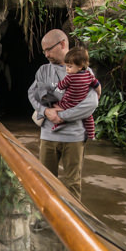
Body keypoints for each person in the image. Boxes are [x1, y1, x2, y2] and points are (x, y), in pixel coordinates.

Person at [27, 29, 99, 200]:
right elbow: (32, 94)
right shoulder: (43, 70)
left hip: (73, 137)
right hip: (48, 136)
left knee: (72, 183)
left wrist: (62, 116)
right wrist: (45, 111)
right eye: (44, 51)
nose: (46, 54)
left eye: (49, 49)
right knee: (45, 180)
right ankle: (46, 219)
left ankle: (74, 221)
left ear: (62, 44)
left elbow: (91, 103)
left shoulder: (84, 72)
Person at [48, 46, 100, 140]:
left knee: (56, 106)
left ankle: (57, 124)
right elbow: (97, 85)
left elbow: (60, 86)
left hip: (68, 102)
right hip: (80, 101)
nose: (67, 69)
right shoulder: (88, 75)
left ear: (80, 66)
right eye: (67, 66)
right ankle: (91, 134)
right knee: (89, 118)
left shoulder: (70, 78)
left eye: (70, 66)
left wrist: (55, 88)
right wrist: (99, 93)